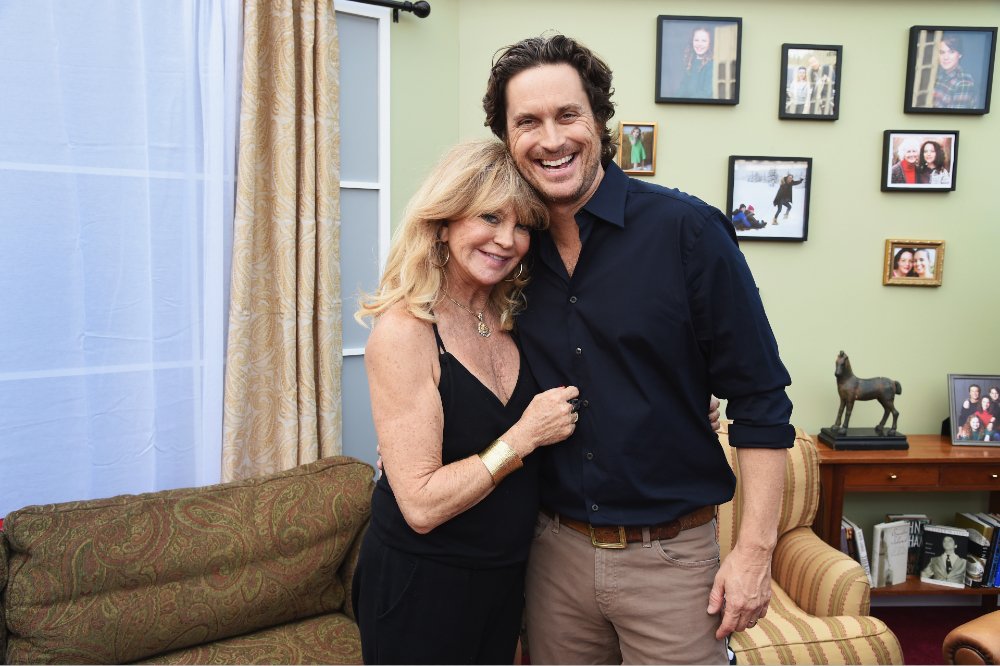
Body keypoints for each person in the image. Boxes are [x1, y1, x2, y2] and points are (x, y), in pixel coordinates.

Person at [483, 34, 794, 664]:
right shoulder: (506, 253)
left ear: (599, 120)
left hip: (672, 562)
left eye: (568, 115)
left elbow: (760, 400)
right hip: (551, 557)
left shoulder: (688, 232)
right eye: (528, 122)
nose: (551, 139)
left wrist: (755, 552)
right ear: (508, 140)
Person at [350, 139, 582, 664]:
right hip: (422, 584)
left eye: (522, 225)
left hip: (506, 578)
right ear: (445, 221)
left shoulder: (520, 320)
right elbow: (422, 506)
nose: (507, 240)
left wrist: (691, 405)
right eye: (490, 217)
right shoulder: (406, 333)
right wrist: (521, 438)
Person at [933, 33, 976, 110]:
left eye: (951, 52)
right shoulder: (940, 75)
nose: (946, 57)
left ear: (959, 55)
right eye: (942, 52)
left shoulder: (963, 82)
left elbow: (956, 118)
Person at [676, 26, 714, 98]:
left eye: (704, 41)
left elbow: (706, 93)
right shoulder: (691, 62)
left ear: (710, 44)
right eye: (696, 40)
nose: (699, 44)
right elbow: (683, 87)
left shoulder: (711, 65)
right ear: (692, 41)